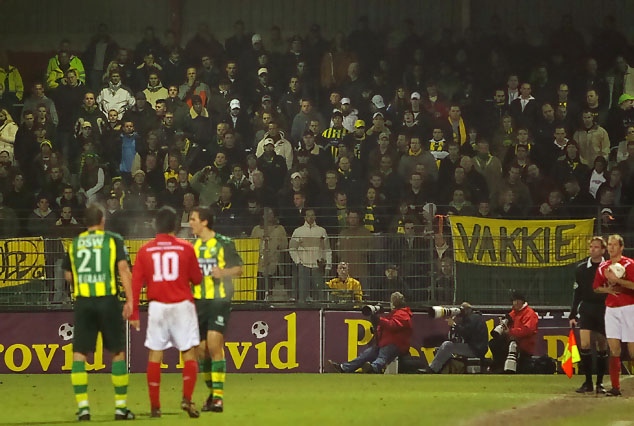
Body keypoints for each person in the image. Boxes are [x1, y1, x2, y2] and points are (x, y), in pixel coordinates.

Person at [61, 204, 135, 421]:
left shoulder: (75, 243)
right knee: (117, 351)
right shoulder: (112, 239)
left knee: (79, 353)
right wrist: (130, 300)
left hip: (84, 302)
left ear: (85, 222)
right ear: (102, 220)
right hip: (107, 301)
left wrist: (83, 282)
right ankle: (121, 408)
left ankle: (83, 408)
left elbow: (67, 276)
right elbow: (123, 269)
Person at [129, 206, 203, 418]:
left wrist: (133, 313)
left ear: (155, 225)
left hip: (158, 306)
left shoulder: (145, 250)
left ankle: (155, 406)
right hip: (182, 306)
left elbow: (136, 284)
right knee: (189, 352)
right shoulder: (186, 248)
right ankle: (187, 399)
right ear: (177, 226)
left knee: (155, 353)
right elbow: (197, 279)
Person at [188, 206, 243, 413]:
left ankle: (218, 399)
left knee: (213, 343)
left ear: (204, 222)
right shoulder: (193, 247)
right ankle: (213, 392)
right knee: (201, 351)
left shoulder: (224, 243)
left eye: (193, 219)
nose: (190, 223)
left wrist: (223, 272)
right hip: (198, 302)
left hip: (219, 300)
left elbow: (239, 268)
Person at [328, 291, 412, 373]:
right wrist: (377, 327)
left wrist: (379, 320)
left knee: (381, 357)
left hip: (394, 344)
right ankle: (345, 367)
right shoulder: (399, 313)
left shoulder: (402, 314)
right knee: (365, 355)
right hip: (385, 343)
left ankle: (372, 368)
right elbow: (390, 326)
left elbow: (392, 325)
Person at [593, 234, 634, 397]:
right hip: (611, 309)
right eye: (609, 244)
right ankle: (615, 387)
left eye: (614, 245)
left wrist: (618, 280)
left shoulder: (629, 264)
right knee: (614, 348)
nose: (611, 247)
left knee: (632, 349)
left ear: (621, 247)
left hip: (629, 307)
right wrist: (607, 289)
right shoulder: (603, 266)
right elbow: (596, 287)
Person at [569, 236, 608, 394]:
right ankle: (587, 382)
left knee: (602, 345)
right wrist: (573, 313)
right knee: (584, 344)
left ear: (603, 250)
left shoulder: (609, 268)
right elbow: (577, 293)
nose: (593, 250)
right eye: (591, 247)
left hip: (604, 309)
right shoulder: (581, 269)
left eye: (596, 247)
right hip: (586, 308)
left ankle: (600, 383)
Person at [426, 302, 488, 373]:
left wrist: (454, 325)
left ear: (468, 310)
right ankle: (437, 368)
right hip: (478, 348)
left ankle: (432, 369)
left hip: (475, 349)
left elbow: (465, 332)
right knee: (447, 346)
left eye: (462, 309)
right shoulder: (476, 317)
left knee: (447, 345)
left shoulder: (472, 318)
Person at [488, 291, 539, 373]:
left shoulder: (529, 313)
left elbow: (528, 330)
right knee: (494, 343)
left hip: (524, 345)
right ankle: (499, 366)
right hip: (513, 341)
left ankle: (508, 369)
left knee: (511, 345)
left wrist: (510, 332)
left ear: (520, 301)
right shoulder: (513, 313)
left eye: (514, 301)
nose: (513, 303)